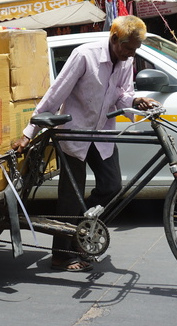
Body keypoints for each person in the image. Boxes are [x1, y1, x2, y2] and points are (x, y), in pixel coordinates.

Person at [12, 16, 158, 272]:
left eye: (135, 49)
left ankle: (79, 226)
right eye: (128, 48)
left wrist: (136, 101)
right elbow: (56, 93)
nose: (131, 53)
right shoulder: (85, 55)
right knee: (71, 196)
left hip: (101, 132)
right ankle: (61, 255)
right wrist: (29, 132)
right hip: (74, 132)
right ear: (114, 39)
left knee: (112, 185)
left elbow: (122, 94)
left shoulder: (126, 60)